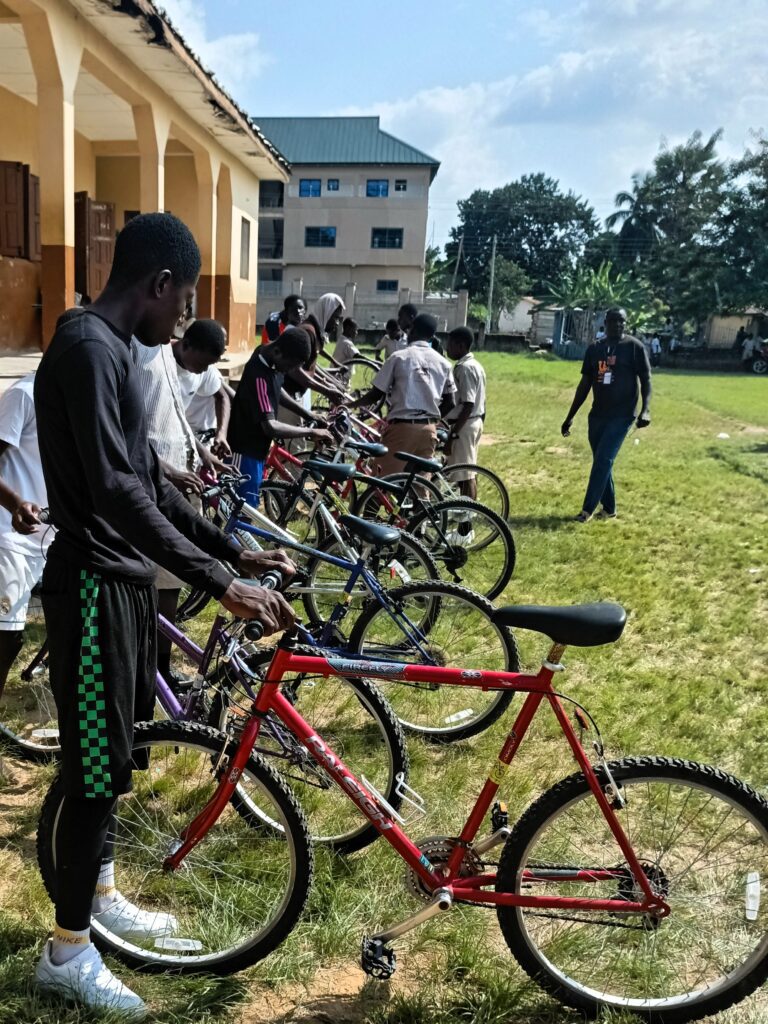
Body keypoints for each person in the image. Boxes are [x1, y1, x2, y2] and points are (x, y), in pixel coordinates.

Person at [33, 212, 296, 1016]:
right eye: (182, 305)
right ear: (158, 285)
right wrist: (219, 583)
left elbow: (146, 475)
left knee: (113, 762)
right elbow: (115, 489)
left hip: (123, 588)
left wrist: (231, 551)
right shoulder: (85, 348)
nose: (182, 321)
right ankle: (67, 951)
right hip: (88, 587)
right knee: (89, 776)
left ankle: (101, 894)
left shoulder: (110, 351)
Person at [561, 307, 651, 523]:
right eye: (614, 321)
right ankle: (609, 508)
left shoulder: (634, 347)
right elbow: (585, 384)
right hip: (598, 415)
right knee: (603, 461)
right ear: (606, 322)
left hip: (622, 415)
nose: (618, 325)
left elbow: (646, 379)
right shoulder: (595, 349)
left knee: (603, 459)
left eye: (622, 321)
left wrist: (645, 409)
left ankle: (587, 509)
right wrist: (570, 415)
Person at [228, 327, 334, 507]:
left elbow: (276, 390)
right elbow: (270, 426)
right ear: (278, 352)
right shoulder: (259, 375)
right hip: (245, 451)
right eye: (291, 366)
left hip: (257, 450)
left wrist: (308, 414)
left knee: (249, 507)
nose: (290, 371)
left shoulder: (269, 357)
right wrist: (311, 431)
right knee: (243, 511)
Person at [353, 312, 456, 477]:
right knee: (419, 487)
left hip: (402, 429)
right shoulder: (444, 363)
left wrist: (350, 405)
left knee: (380, 484)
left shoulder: (398, 357)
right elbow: (451, 402)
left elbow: (375, 394)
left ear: (412, 331)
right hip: (429, 430)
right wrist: (430, 420)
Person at [0, 373, 52, 696]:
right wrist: (16, 503)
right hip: (10, 534)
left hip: (50, 537)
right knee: (6, 637)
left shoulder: (80, 397)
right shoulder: (25, 395)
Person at [172, 318, 231, 455]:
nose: (205, 370)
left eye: (209, 365)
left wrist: (221, 433)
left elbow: (222, 397)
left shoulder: (204, 364)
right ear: (186, 345)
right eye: (201, 363)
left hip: (191, 443)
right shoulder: (161, 361)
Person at [443, 326, 486, 499]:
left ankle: (466, 520)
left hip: (464, 425)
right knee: (467, 473)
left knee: (465, 475)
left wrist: (454, 433)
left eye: (450, 344)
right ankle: (465, 516)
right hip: (473, 422)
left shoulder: (464, 368)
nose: (447, 348)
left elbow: (468, 404)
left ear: (461, 346)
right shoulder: (476, 365)